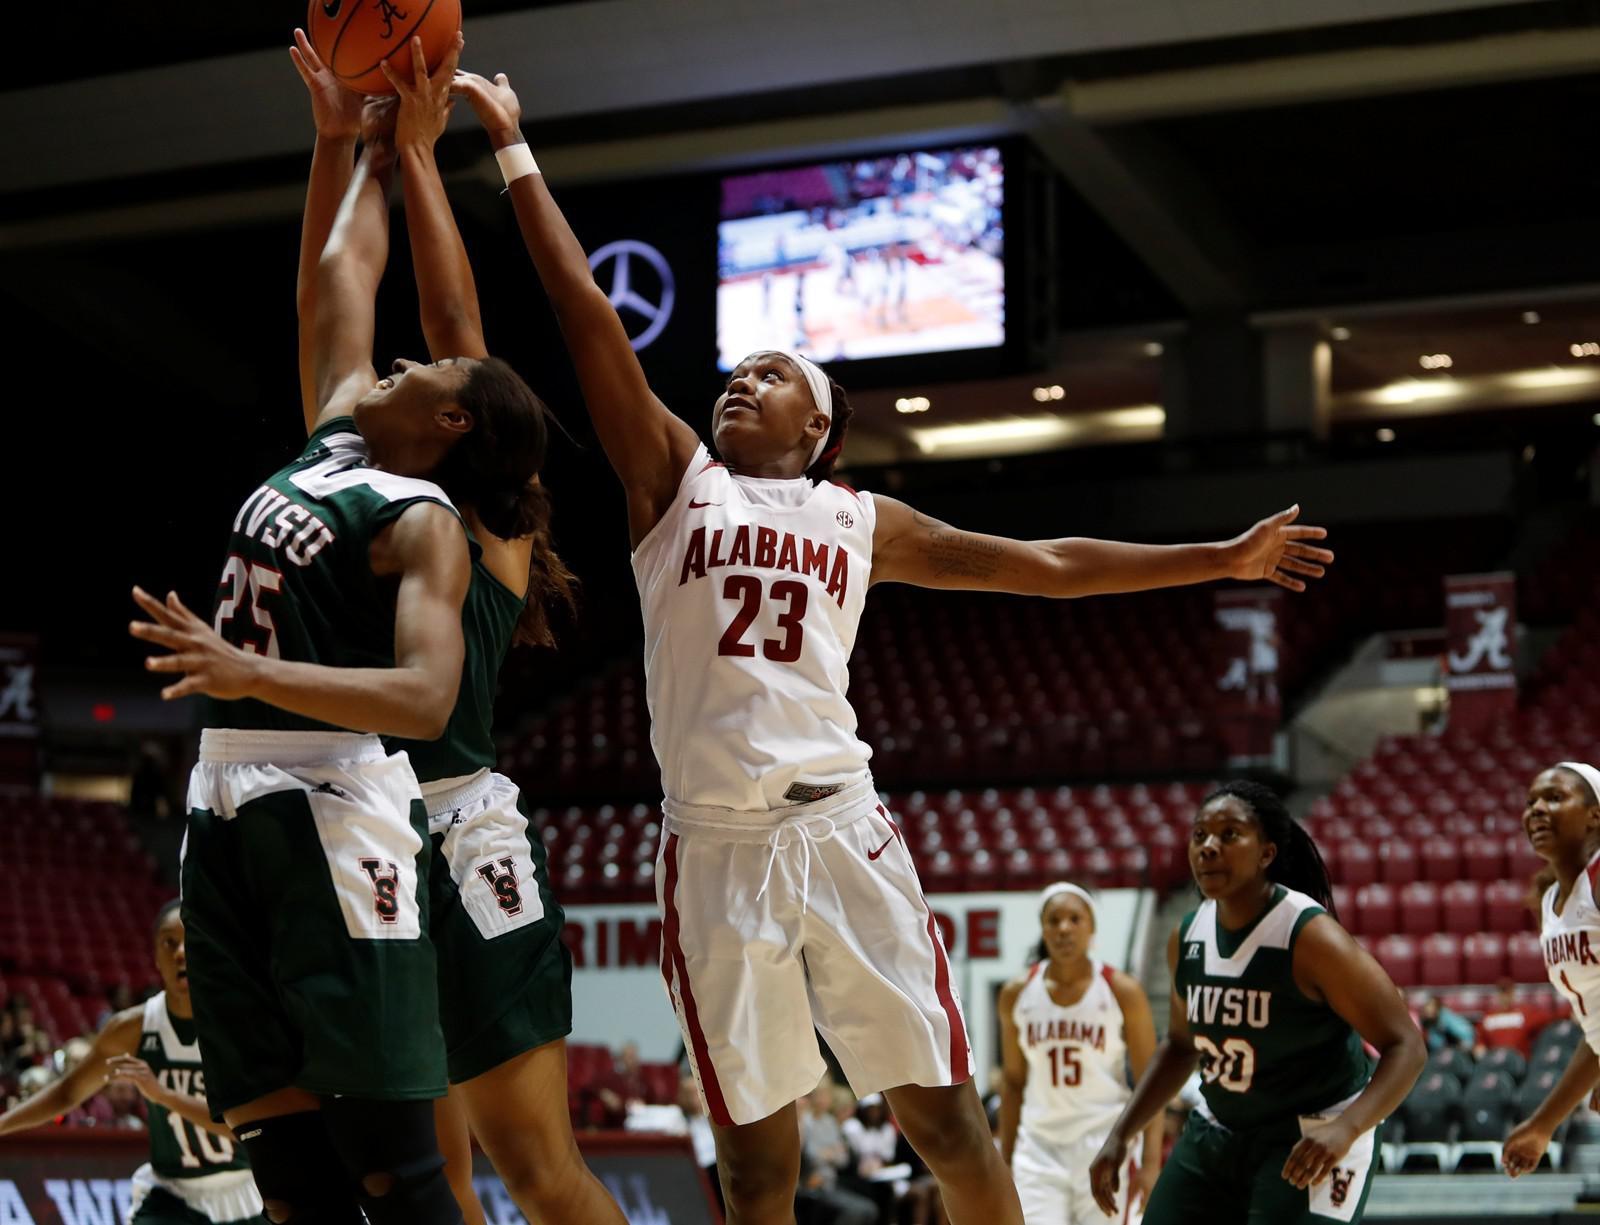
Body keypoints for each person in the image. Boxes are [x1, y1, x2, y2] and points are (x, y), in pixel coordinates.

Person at [450, 68, 1335, 1225]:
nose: (737, 383)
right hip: (712, 851)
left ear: (815, 427)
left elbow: (1047, 564)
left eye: (767, 377)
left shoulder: (861, 521)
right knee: (758, 1169)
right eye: (732, 373)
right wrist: (516, 154)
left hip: (838, 829)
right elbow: (586, 316)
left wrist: (1214, 558)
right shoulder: (673, 482)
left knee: (949, 1124)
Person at [283, 33, 625, 1225]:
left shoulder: (481, 521)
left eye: (429, 375)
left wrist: (418, 159)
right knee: (438, 1184)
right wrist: (343, 147)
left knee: (537, 1168)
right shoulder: (348, 460)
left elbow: (456, 323)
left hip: (456, 831)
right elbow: (331, 302)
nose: (410, 363)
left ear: (458, 429)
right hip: (353, 827)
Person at [1088, 782, 1425, 1224]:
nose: (1209, 847)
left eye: (1229, 834)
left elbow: (1407, 1046)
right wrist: (1122, 1133)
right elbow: (1180, 1045)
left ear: (1266, 853)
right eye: (1200, 835)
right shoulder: (1187, 935)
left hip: (1313, 1134)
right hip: (1220, 1127)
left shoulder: (1310, 937)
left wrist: (1347, 1128)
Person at [0, 901, 267, 1225]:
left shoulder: (235, 1027)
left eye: (189, 940)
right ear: (155, 956)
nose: (180, 952)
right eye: (169, 942)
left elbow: (245, 1128)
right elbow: (67, 1093)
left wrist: (163, 1095)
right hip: (171, 1195)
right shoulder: (132, 1029)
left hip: (241, 1191)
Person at [997, 883, 1162, 1223]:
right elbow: (1013, 1083)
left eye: (1075, 919)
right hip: (1039, 1148)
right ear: (1043, 929)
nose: (1064, 929)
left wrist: (1150, 1165)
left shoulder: (1122, 990)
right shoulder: (1016, 993)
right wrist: (1006, 1160)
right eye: (1054, 920)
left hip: (1105, 1142)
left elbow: (1152, 1082)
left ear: (1092, 927)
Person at [1503, 762, 1600, 1177]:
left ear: (1595, 815)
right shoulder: (1551, 903)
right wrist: (1542, 1127)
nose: (1537, 809)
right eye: (1531, 802)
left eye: (1555, 798)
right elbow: (1595, 1026)